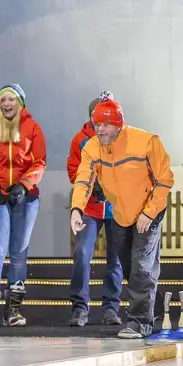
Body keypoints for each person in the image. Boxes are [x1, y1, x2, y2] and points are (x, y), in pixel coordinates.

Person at [70, 93, 175, 339]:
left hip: (149, 210)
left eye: (106, 124)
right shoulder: (92, 147)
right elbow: (84, 179)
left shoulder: (146, 141)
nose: (101, 129)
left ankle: (140, 323)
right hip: (120, 214)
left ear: (118, 124)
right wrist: (77, 208)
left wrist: (149, 213)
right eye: (97, 124)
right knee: (129, 268)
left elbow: (165, 179)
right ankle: (154, 306)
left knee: (141, 266)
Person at [0, 84, 46, 328]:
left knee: (18, 254)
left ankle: (13, 310)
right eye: (3, 99)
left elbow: (40, 162)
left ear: (20, 102)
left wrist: (24, 186)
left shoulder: (32, 128)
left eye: (11, 99)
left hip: (25, 198)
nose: (6, 104)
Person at [66, 95, 125, 327]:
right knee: (82, 253)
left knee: (116, 258)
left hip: (115, 208)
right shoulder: (81, 140)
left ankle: (111, 307)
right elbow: (74, 170)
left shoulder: (123, 139)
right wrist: (93, 187)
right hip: (89, 207)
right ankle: (80, 307)